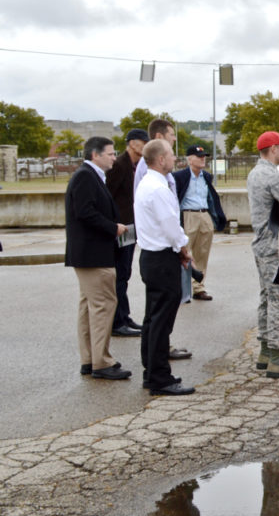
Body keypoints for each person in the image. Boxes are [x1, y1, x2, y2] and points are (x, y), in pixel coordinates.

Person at [65, 136, 132, 381]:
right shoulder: (85, 176)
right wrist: (113, 227)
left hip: (89, 255)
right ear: (95, 155)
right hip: (94, 255)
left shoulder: (91, 175)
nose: (115, 157)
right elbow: (84, 212)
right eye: (111, 153)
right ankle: (101, 363)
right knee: (103, 307)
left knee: (89, 309)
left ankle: (90, 359)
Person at [135, 139, 195, 395]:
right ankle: (160, 377)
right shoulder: (158, 188)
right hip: (161, 258)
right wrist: (184, 248)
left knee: (153, 319)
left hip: (152, 256)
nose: (174, 159)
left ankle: (152, 371)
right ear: (160, 159)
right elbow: (170, 225)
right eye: (171, 155)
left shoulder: (148, 184)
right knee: (161, 321)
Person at [247, 130, 279, 377]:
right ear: (273, 149)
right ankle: (277, 355)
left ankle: (265, 351)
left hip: (261, 244)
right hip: (274, 246)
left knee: (266, 297)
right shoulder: (273, 176)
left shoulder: (255, 173)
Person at [106, 127, 148, 337]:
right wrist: (114, 225)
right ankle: (117, 321)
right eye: (142, 141)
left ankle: (125, 315)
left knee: (125, 273)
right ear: (132, 143)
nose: (145, 145)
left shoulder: (137, 165)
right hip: (120, 227)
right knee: (120, 275)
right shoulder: (119, 165)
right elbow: (108, 196)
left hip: (131, 227)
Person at [172, 145, 226, 301]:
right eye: (198, 156)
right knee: (184, 252)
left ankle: (199, 287)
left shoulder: (206, 177)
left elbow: (212, 198)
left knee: (202, 253)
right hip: (187, 215)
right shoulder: (180, 176)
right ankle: (182, 289)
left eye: (204, 156)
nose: (203, 158)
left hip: (204, 215)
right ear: (189, 159)